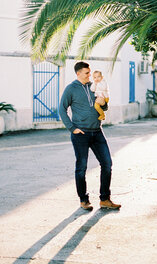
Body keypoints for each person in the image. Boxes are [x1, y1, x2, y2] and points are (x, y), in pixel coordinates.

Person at [59, 61, 121, 211]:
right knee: (82, 167)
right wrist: (72, 128)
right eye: (87, 73)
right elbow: (62, 109)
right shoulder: (71, 89)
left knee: (107, 163)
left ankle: (105, 199)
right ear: (78, 73)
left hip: (97, 132)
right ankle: (83, 200)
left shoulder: (94, 87)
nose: (90, 75)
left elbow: (104, 106)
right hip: (81, 134)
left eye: (90, 72)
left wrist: (104, 102)